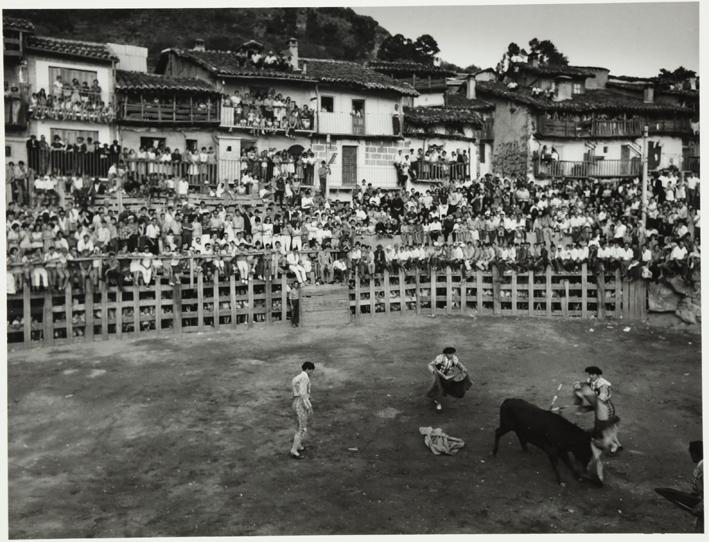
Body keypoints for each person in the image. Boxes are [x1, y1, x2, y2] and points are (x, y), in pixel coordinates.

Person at [573, 365, 622, 453]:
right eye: (589, 374)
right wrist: (578, 385)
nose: (590, 376)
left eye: (592, 374)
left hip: (606, 409)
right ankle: (618, 444)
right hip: (598, 408)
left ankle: (615, 446)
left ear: (598, 375)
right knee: (604, 428)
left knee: (604, 429)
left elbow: (600, 402)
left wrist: (585, 409)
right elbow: (585, 384)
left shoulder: (604, 385)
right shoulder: (591, 380)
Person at [426, 346, 471, 412]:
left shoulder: (454, 358)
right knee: (439, 388)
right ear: (445, 354)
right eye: (450, 354)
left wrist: (463, 368)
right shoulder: (440, 358)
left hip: (449, 373)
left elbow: (458, 364)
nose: (451, 355)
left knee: (461, 377)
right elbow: (434, 367)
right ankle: (438, 405)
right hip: (439, 375)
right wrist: (441, 375)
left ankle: (454, 391)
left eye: (452, 353)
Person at [290, 361, 315, 459]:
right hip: (300, 404)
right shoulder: (305, 378)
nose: (312, 373)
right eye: (312, 370)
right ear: (308, 369)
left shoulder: (298, 377)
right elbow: (303, 394)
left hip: (295, 403)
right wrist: (309, 407)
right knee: (301, 428)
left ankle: (298, 445)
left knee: (299, 426)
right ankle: (294, 450)